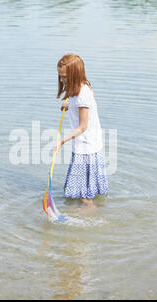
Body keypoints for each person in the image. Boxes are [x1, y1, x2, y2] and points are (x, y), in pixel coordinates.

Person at [54, 53, 109, 208]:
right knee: (82, 188)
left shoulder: (83, 94)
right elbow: (77, 104)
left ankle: (90, 213)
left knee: (83, 193)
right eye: (60, 76)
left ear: (74, 75)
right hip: (85, 144)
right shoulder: (80, 87)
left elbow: (83, 126)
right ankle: (89, 206)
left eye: (64, 77)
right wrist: (68, 105)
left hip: (86, 146)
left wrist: (62, 141)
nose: (61, 80)